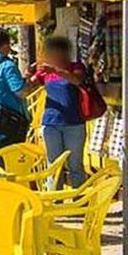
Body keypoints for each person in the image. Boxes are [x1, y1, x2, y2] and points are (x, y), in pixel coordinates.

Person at [30, 36, 89, 187]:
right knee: (54, 166)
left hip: (74, 123)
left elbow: (77, 80)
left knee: (75, 165)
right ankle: (55, 201)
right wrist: (27, 75)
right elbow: (27, 88)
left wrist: (57, 71)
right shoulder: (45, 72)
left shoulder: (76, 67)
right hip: (51, 123)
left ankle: (80, 205)